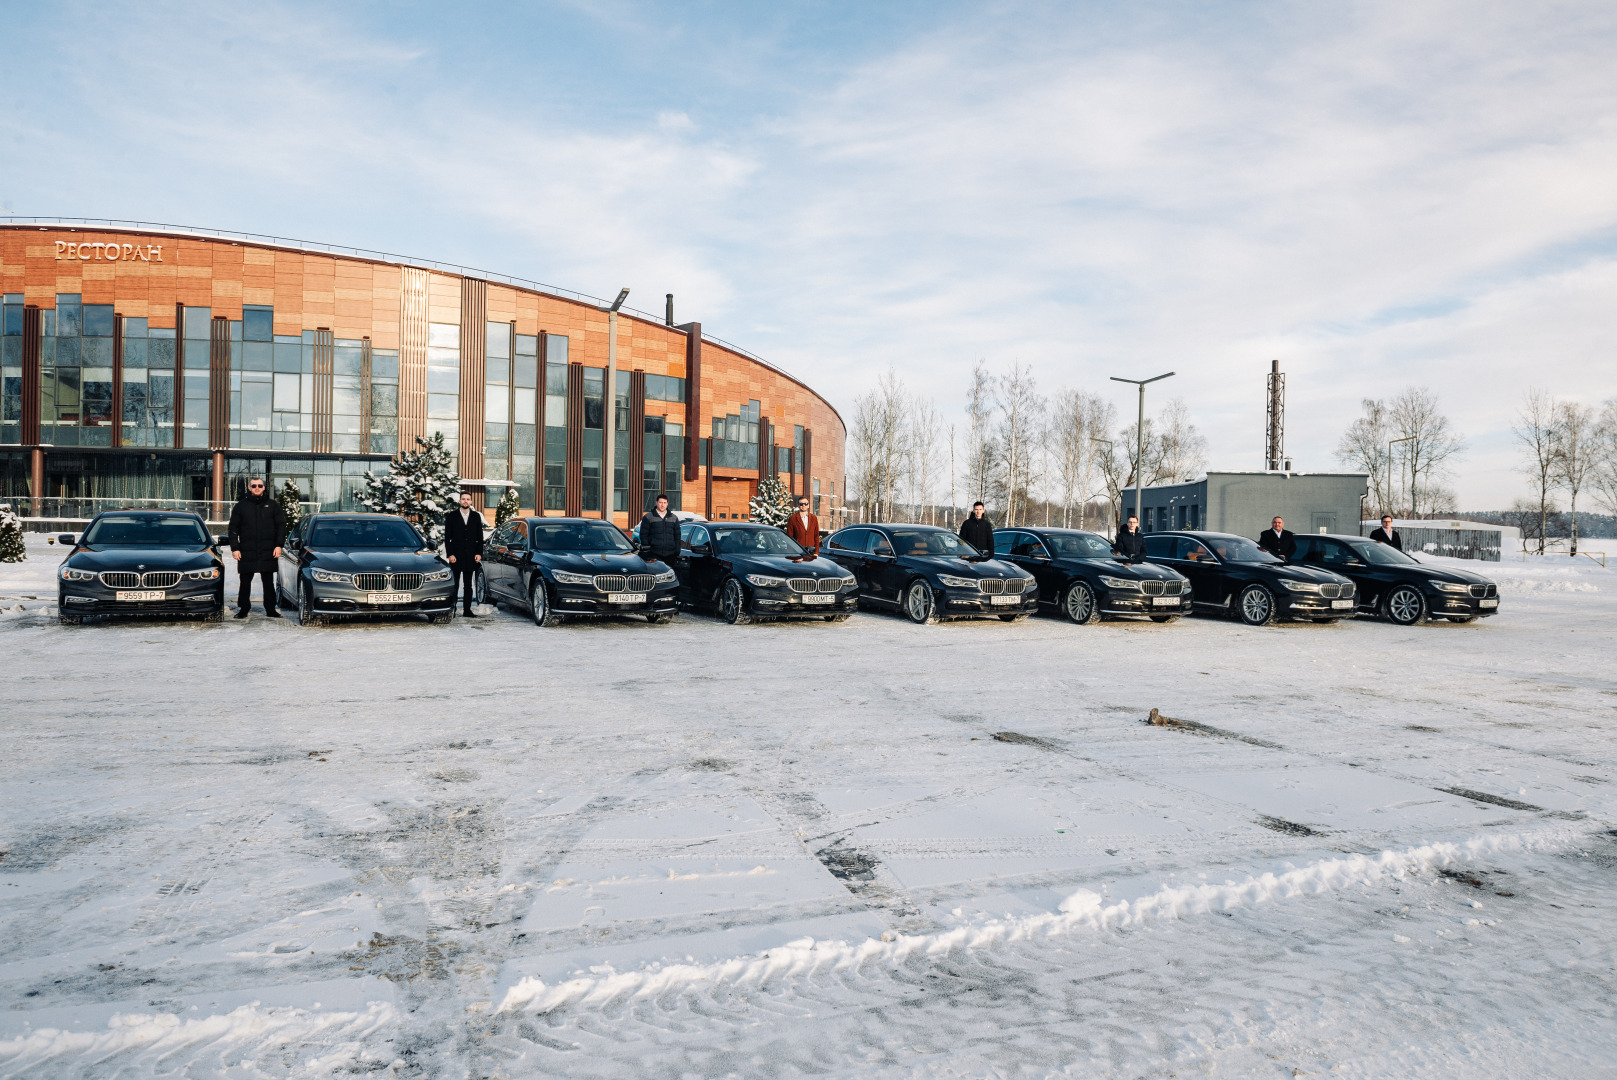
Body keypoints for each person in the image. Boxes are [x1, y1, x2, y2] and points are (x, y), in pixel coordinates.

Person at [227, 476, 285, 619]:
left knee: (268, 582)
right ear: (249, 488)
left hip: (268, 550)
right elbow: (233, 528)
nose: (257, 488)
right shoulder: (241, 506)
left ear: (264, 487)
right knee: (245, 582)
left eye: (260, 485)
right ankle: (243, 609)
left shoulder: (273, 506)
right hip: (247, 550)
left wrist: (279, 545)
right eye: (254, 486)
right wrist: (235, 548)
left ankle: (271, 609)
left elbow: (281, 526)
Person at [443, 491, 486, 617]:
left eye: (468, 499)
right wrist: (450, 554)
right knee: (454, 585)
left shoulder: (476, 516)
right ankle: (453, 609)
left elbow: (480, 537)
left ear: (471, 502)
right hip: (456, 556)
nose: (465, 501)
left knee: (468, 585)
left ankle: (467, 610)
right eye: (463, 499)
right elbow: (447, 538)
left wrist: (479, 553)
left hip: (471, 556)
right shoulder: (452, 516)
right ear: (459, 501)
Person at [638, 494, 681, 564]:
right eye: (660, 502)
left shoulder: (673, 518)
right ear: (656, 503)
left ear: (667, 504)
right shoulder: (648, 517)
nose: (662, 505)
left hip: (670, 554)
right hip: (654, 554)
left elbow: (677, 535)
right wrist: (647, 550)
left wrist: (677, 550)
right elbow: (643, 535)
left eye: (664, 503)